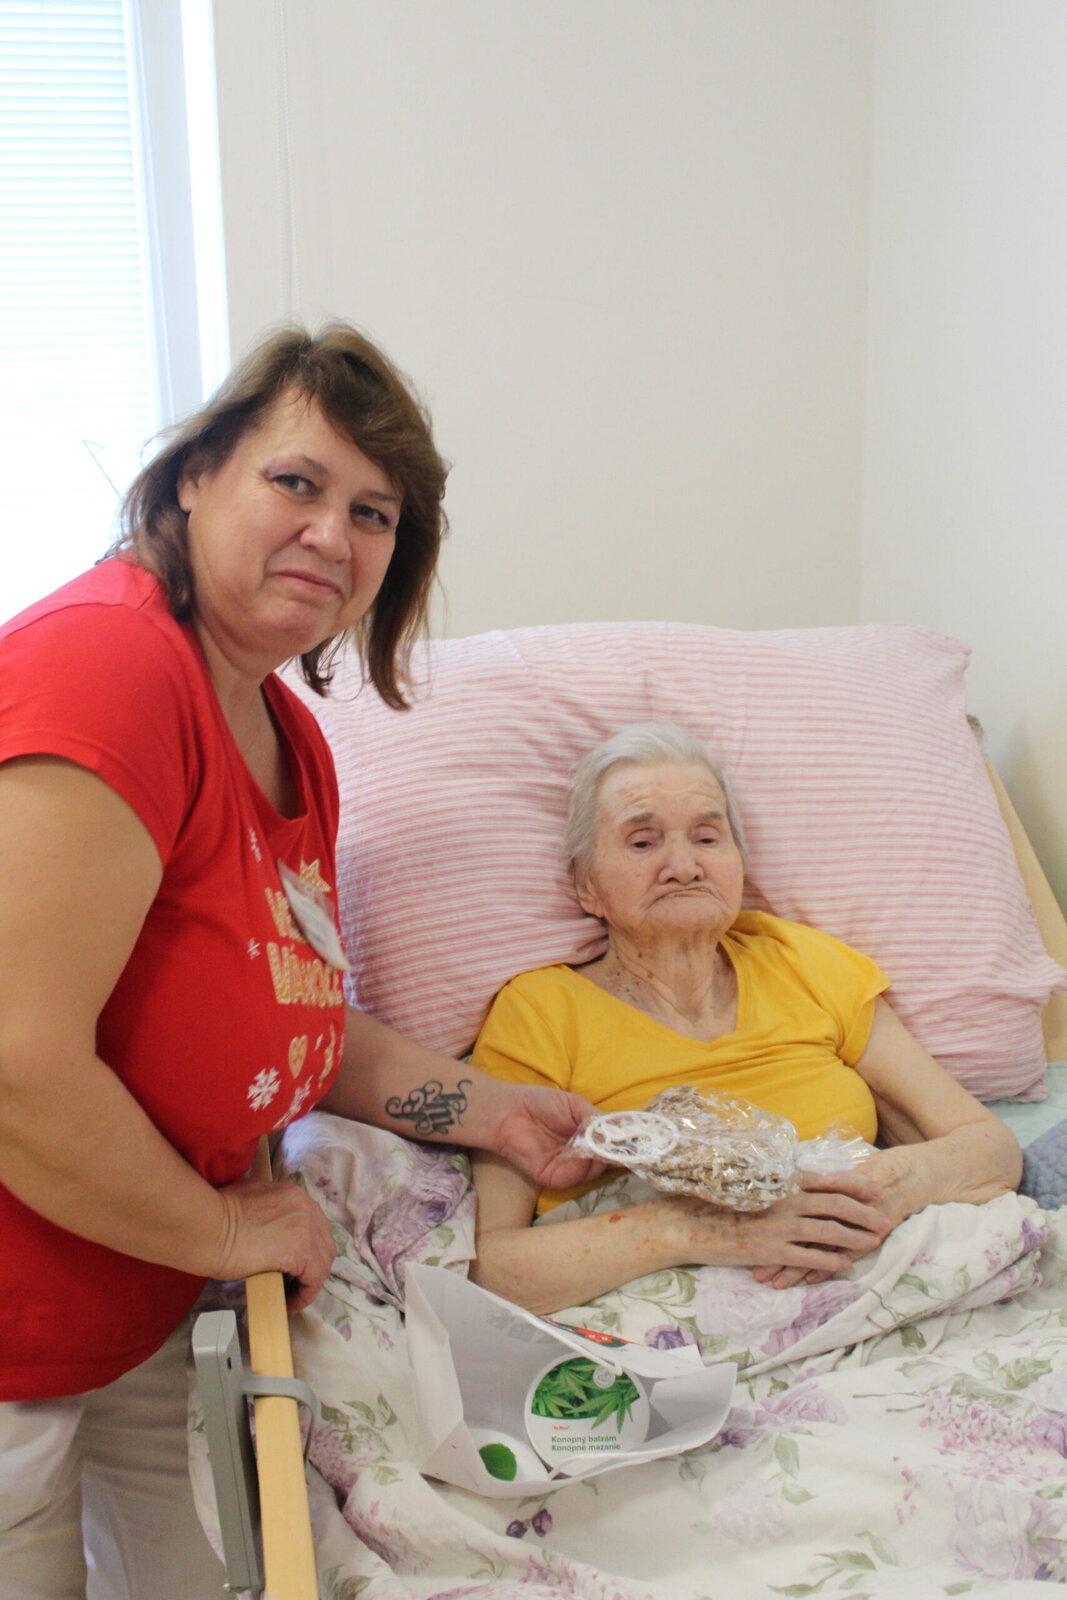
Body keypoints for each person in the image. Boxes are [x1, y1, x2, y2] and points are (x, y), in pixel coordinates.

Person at [0, 323, 600, 1599]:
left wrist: (494, 1110)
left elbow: (296, 1016)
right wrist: (227, 1225)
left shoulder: (286, 735)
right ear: (191, 477)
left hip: (152, 1290)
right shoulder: (106, 667)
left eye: (373, 513)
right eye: (296, 482)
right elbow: (14, 1061)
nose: (334, 534)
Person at [470, 721, 1023, 1315]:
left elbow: (990, 1149)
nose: (684, 866)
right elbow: (489, 1268)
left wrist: (872, 1192)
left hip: (861, 1268)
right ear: (587, 886)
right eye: (643, 843)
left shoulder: (803, 962)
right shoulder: (540, 1011)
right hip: (660, 1315)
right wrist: (702, 1227)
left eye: (708, 838)